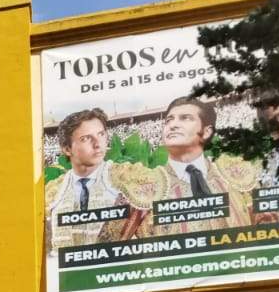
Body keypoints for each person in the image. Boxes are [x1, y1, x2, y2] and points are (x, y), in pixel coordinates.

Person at [130, 96, 266, 235]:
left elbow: (269, 228)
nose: (173, 125)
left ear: (206, 132)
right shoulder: (143, 186)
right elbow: (112, 244)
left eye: (185, 118)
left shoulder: (237, 174)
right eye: (169, 120)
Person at [42, 109, 139, 248]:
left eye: (101, 134)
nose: (98, 144)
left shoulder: (128, 178)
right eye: (86, 138)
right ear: (67, 149)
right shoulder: (53, 191)